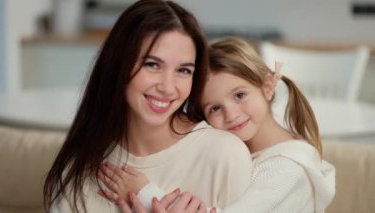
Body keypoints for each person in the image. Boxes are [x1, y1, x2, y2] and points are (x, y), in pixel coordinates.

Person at [43, 1, 253, 212]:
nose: (168, 88)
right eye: (152, 65)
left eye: (183, 70)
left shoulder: (225, 157)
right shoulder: (78, 167)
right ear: (118, 65)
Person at [99, 37, 336, 212]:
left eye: (240, 95)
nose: (231, 114)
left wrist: (145, 192)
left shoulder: (285, 168)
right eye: (215, 108)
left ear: (267, 87)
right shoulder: (239, 151)